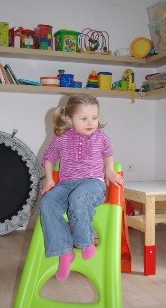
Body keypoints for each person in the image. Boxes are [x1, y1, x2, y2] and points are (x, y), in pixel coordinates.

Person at [40, 94, 123, 281]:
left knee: (78, 197)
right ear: (69, 119)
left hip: (93, 183)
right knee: (48, 203)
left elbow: (108, 154)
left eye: (94, 117)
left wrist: (109, 171)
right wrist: (49, 179)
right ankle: (65, 253)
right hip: (66, 184)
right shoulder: (61, 137)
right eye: (84, 119)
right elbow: (49, 158)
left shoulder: (101, 136)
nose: (91, 123)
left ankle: (85, 242)